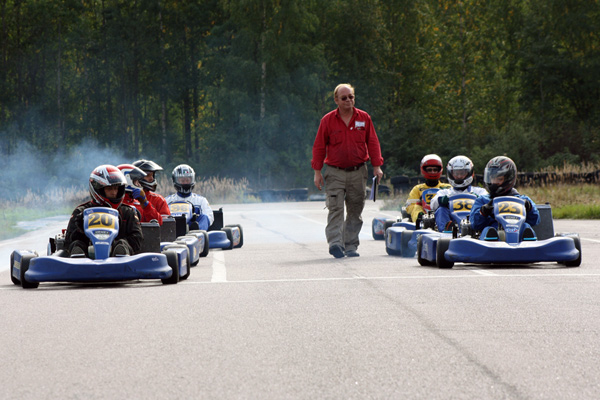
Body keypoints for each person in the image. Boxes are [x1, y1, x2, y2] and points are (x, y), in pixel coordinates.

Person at [311, 83, 384, 258]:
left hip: (358, 171)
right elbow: (319, 147)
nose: (348, 100)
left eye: (351, 97)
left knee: (355, 210)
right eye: (344, 98)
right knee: (335, 208)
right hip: (334, 172)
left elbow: (372, 142)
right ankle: (336, 244)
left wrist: (377, 166)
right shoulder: (327, 120)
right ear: (336, 100)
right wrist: (317, 172)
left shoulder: (364, 118)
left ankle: (350, 245)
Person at [64, 165, 143, 257]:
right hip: (87, 256)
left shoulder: (128, 212)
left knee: (122, 243)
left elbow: (137, 239)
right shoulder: (81, 212)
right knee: (77, 244)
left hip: (120, 259)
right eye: (109, 189)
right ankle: (78, 258)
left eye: (116, 188)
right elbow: (68, 242)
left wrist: (114, 243)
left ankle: (120, 251)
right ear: (98, 189)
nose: (114, 193)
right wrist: (80, 228)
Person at [470, 156, 540, 240]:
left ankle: (528, 243)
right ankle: (491, 240)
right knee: (488, 230)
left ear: (509, 178)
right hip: (494, 233)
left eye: (499, 179)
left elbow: (535, 220)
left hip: (517, 234)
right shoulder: (482, 200)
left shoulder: (522, 200)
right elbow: (475, 224)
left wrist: (529, 208)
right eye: (492, 178)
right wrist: (483, 212)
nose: (494, 182)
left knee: (526, 226)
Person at [430, 155, 488, 232]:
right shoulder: (445, 192)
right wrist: (441, 200)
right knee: (441, 209)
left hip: (474, 223)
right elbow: (432, 205)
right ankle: (446, 231)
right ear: (450, 174)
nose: (459, 176)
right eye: (456, 173)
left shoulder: (479, 191)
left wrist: (479, 200)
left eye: (462, 173)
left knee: (482, 211)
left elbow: (489, 202)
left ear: (470, 173)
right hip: (453, 224)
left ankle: (485, 231)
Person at [165, 164, 214, 231]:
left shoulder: (201, 201)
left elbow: (209, 217)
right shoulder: (167, 201)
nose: (185, 183)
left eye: (187, 180)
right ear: (175, 181)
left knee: (204, 217)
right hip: (172, 230)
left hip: (193, 231)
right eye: (182, 181)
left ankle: (198, 231)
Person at [405, 154, 452, 224]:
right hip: (424, 215)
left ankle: (448, 224)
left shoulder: (447, 187)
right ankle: (421, 222)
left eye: (435, 170)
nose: (432, 172)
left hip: (442, 213)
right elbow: (409, 207)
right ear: (424, 170)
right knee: (416, 207)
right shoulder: (417, 189)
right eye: (429, 170)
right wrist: (420, 203)